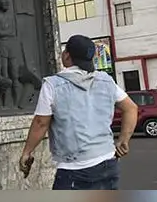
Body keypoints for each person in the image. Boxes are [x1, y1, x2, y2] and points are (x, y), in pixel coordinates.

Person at [18, 35, 139, 190]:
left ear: (66, 56)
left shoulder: (52, 85)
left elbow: (41, 123)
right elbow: (131, 108)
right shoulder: (106, 80)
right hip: (108, 161)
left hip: (74, 169)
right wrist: (124, 140)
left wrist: (27, 152)